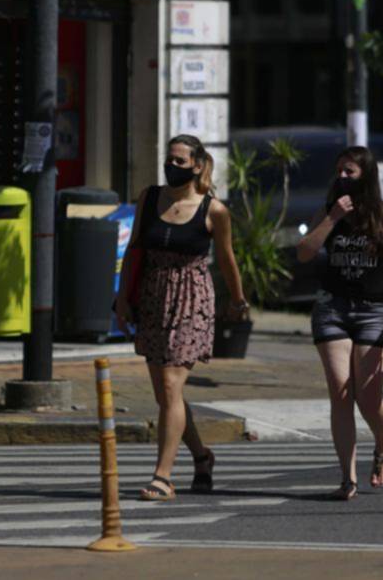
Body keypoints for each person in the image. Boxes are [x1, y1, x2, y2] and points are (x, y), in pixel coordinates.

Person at [115, 134, 248, 501]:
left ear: (197, 165)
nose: (172, 167)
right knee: (165, 395)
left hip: (192, 299)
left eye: (180, 162)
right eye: (168, 160)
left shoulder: (213, 210)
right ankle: (203, 457)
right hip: (153, 296)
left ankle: (163, 477)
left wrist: (237, 301)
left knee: (172, 387)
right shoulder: (150, 197)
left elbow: (226, 260)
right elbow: (134, 249)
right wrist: (123, 299)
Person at [296, 146, 383, 501]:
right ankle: (347, 478)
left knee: (368, 400)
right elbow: (304, 252)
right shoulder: (329, 211)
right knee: (341, 393)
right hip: (331, 309)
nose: (342, 177)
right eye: (338, 171)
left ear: (365, 175)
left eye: (349, 172)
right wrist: (332, 218)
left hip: (373, 312)